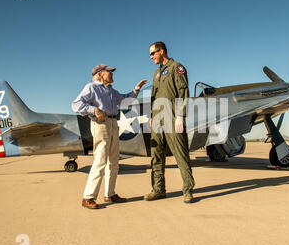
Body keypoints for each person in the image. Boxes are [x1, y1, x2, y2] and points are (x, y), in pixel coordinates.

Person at [72, 64, 147, 209]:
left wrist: (136, 90)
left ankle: (110, 194)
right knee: (100, 161)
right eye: (109, 72)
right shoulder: (91, 88)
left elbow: (125, 100)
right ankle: (88, 197)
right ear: (99, 74)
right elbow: (76, 105)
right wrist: (93, 109)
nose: (112, 74)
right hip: (100, 124)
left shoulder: (111, 90)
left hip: (113, 124)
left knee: (113, 161)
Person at [145, 41, 196, 203]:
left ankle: (188, 190)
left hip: (173, 116)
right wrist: (152, 115)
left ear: (162, 51)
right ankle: (158, 189)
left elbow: (183, 92)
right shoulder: (156, 73)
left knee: (180, 153)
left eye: (153, 53)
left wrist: (181, 115)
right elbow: (154, 97)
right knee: (156, 155)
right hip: (158, 118)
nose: (151, 57)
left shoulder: (177, 68)